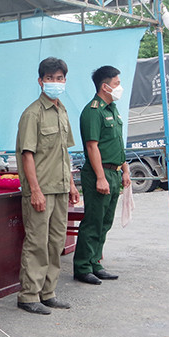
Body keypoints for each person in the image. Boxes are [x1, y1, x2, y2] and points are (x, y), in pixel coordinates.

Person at [15, 57, 80, 315]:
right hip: (41, 189)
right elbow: (26, 154)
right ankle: (29, 294)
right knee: (37, 243)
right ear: (41, 81)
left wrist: (72, 185)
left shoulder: (62, 110)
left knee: (55, 243)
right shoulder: (32, 114)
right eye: (50, 78)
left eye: (60, 78)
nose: (56, 83)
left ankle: (48, 292)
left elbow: (65, 153)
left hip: (61, 187)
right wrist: (35, 190)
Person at [72, 65, 131, 285]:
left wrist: (125, 170)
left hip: (114, 172)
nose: (119, 87)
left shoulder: (111, 108)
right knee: (93, 222)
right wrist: (100, 177)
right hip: (100, 172)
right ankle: (83, 267)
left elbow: (117, 143)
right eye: (116, 84)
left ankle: (95, 262)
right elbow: (92, 146)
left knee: (105, 222)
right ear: (104, 86)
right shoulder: (92, 111)